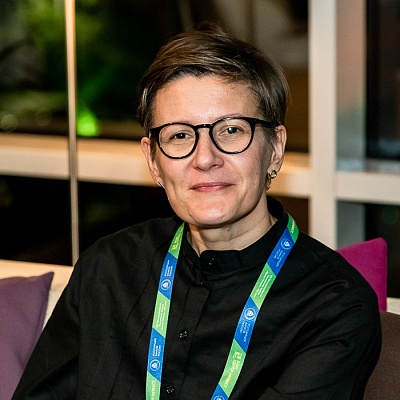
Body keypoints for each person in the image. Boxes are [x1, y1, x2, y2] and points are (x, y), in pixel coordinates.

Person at [13, 24, 381, 400]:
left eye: (231, 130)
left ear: (275, 148)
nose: (205, 158)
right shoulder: (107, 269)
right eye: (179, 135)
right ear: (153, 161)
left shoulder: (334, 307)